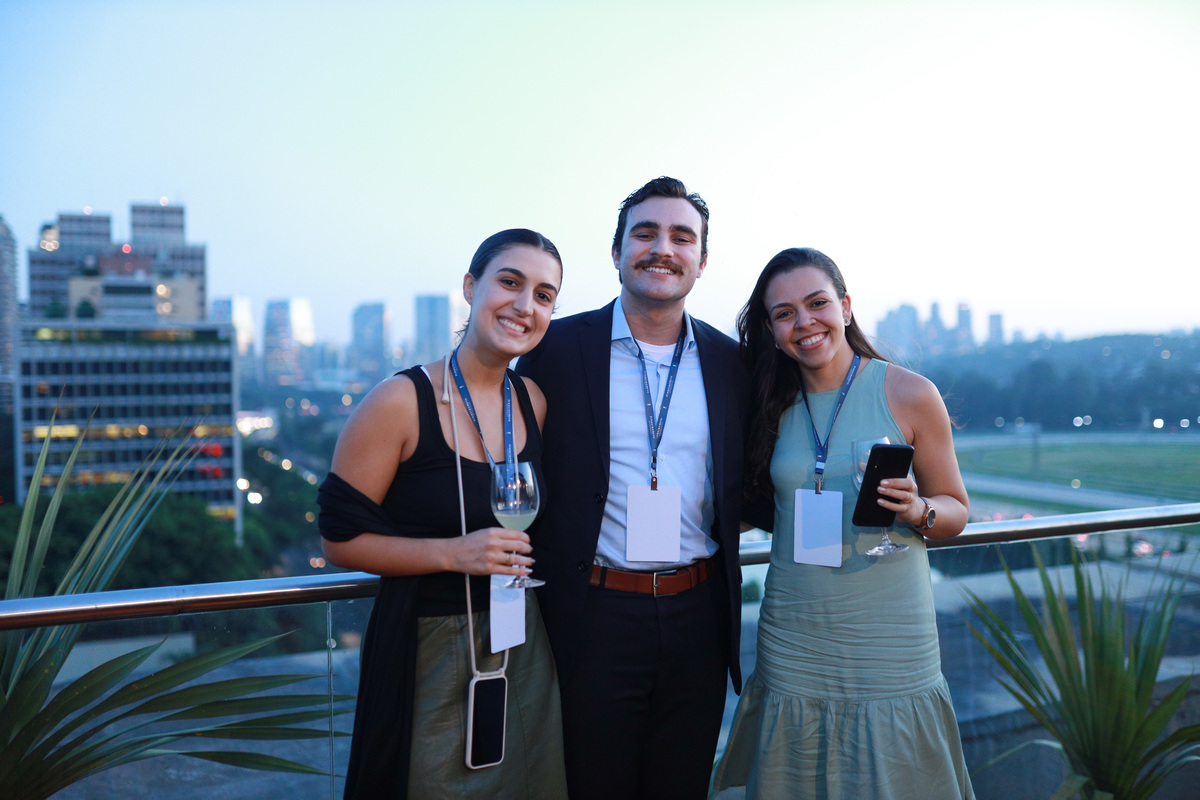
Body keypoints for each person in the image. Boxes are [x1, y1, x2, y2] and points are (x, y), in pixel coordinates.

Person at [516, 177, 750, 800]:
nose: (662, 249)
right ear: (617, 252)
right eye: (645, 233)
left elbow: (751, 484)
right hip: (592, 616)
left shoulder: (732, 364)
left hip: (699, 616)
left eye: (682, 237)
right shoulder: (554, 349)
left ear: (702, 260)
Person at [711, 247, 974, 800]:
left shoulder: (909, 393)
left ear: (846, 307)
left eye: (817, 303)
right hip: (794, 636)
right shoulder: (766, 403)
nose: (805, 322)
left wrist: (918, 511)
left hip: (890, 639)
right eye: (785, 313)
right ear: (772, 329)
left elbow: (956, 509)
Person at [317, 229, 569, 800]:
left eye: (544, 295)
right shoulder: (399, 401)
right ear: (471, 287)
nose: (524, 305)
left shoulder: (532, 401)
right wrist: (452, 554)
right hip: (428, 645)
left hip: (522, 638)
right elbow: (338, 539)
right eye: (509, 282)